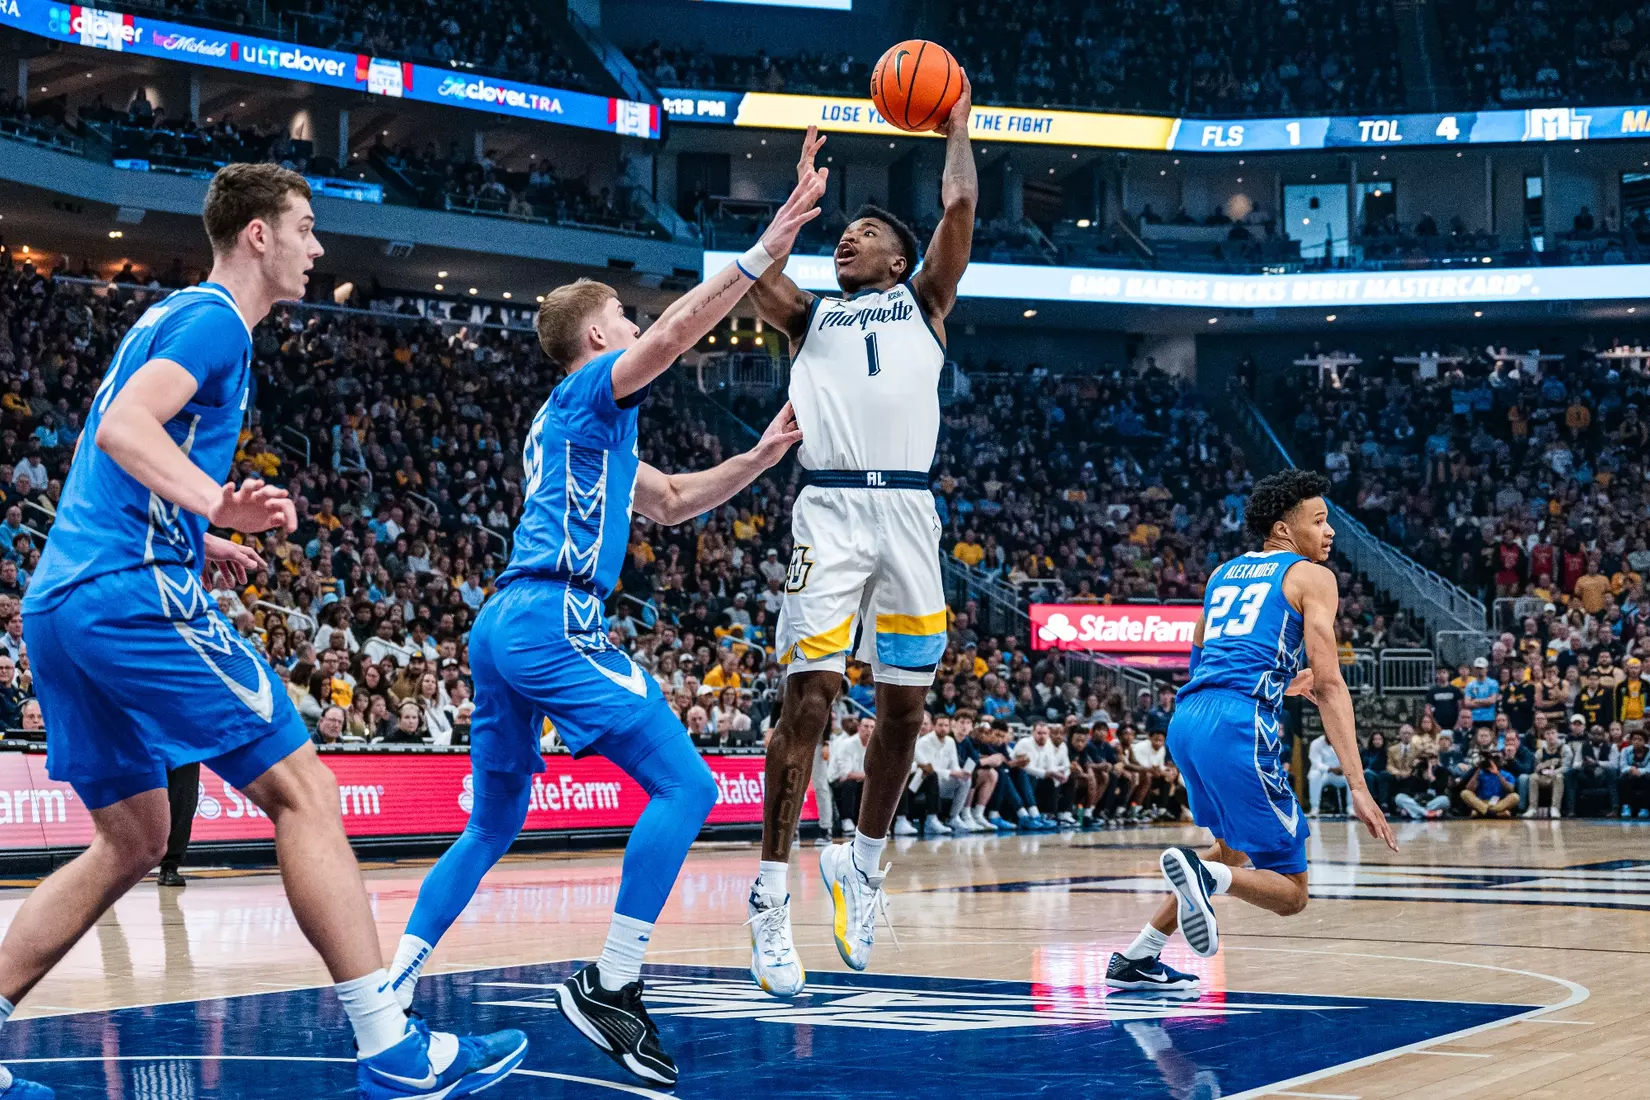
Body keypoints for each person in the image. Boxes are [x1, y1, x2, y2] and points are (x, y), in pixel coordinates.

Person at [3, 163, 526, 1100]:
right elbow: (126, 430)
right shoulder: (213, 321)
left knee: (134, 838)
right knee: (307, 792)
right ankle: (389, 1045)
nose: (319, 248)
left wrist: (197, 537)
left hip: (64, 602)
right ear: (258, 235)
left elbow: (101, 463)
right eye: (307, 227)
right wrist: (216, 508)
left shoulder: (167, 318)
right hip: (128, 594)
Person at [385, 164, 826, 1086]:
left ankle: (392, 985)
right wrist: (765, 249)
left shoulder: (583, 432)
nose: (635, 325)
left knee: (494, 822)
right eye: (622, 318)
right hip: (553, 616)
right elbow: (668, 336)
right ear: (596, 335)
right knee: (688, 788)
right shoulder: (591, 389)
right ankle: (613, 982)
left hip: (506, 620)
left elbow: (668, 501)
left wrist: (759, 454)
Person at [742, 76, 979, 998]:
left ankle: (864, 864)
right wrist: (794, 213)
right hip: (830, 511)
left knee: (905, 713)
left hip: (910, 516)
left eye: (867, 232)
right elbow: (746, 274)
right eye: (846, 231)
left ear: (899, 259)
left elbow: (958, 201)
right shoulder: (810, 315)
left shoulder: (926, 301)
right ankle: (770, 896)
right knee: (806, 702)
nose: (852, 237)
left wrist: (958, 124)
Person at [1107, 469, 1396, 994]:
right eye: (1320, 520)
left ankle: (1138, 956)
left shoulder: (1223, 572)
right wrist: (1357, 783)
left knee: (1234, 850)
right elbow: (1330, 684)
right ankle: (1205, 879)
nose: (1330, 531)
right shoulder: (1313, 576)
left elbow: (1202, 651)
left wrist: (1274, 685)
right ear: (1285, 530)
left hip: (1190, 719)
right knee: (1292, 891)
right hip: (1239, 725)